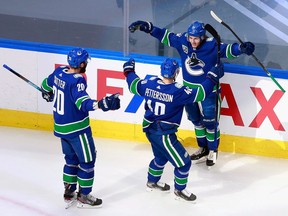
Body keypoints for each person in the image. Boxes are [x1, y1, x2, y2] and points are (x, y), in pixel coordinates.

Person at [128, 20, 255, 167]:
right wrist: (148, 28)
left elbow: (229, 50)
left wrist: (242, 48)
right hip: (188, 92)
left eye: (196, 38)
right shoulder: (183, 41)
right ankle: (203, 148)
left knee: (211, 123)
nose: (192, 41)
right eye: (190, 38)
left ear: (202, 37)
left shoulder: (212, 45)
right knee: (196, 121)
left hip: (209, 92)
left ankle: (213, 150)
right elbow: (166, 36)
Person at [123, 57, 224, 201]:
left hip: (150, 130)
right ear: (176, 73)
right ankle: (180, 191)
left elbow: (133, 84)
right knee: (184, 164)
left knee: (160, 157)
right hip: (164, 134)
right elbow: (200, 93)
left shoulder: (150, 83)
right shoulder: (178, 92)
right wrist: (212, 77)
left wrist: (128, 70)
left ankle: (152, 182)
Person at [41, 47, 120, 208]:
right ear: (82, 63)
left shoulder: (59, 72)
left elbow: (45, 84)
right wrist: (102, 104)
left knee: (71, 160)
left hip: (61, 128)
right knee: (88, 160)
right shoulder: (77, 80)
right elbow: (83, 104)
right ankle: (84, 195)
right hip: (77, 130)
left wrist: (46, 92)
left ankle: (69, 191)